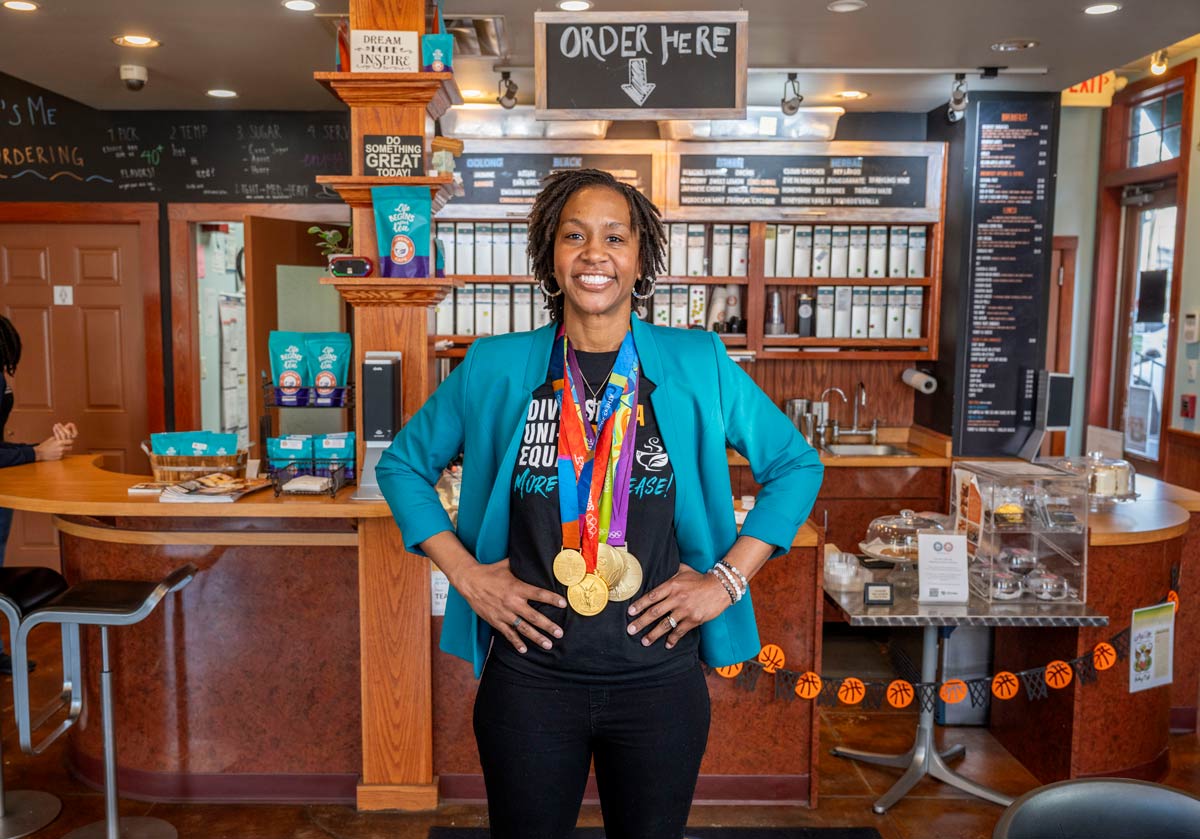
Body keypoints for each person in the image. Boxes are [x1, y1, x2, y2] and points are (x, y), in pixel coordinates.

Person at [378, 169, 823, 839]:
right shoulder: (496, 366)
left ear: (639, 257)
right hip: (529, 682)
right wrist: (465, 575)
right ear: (550, 257)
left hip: (659, 683)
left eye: (615, 237)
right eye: (574, 236)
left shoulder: (697, 361)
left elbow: (795, 464)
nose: (594, 254)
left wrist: (725, 582)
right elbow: (402, 465)